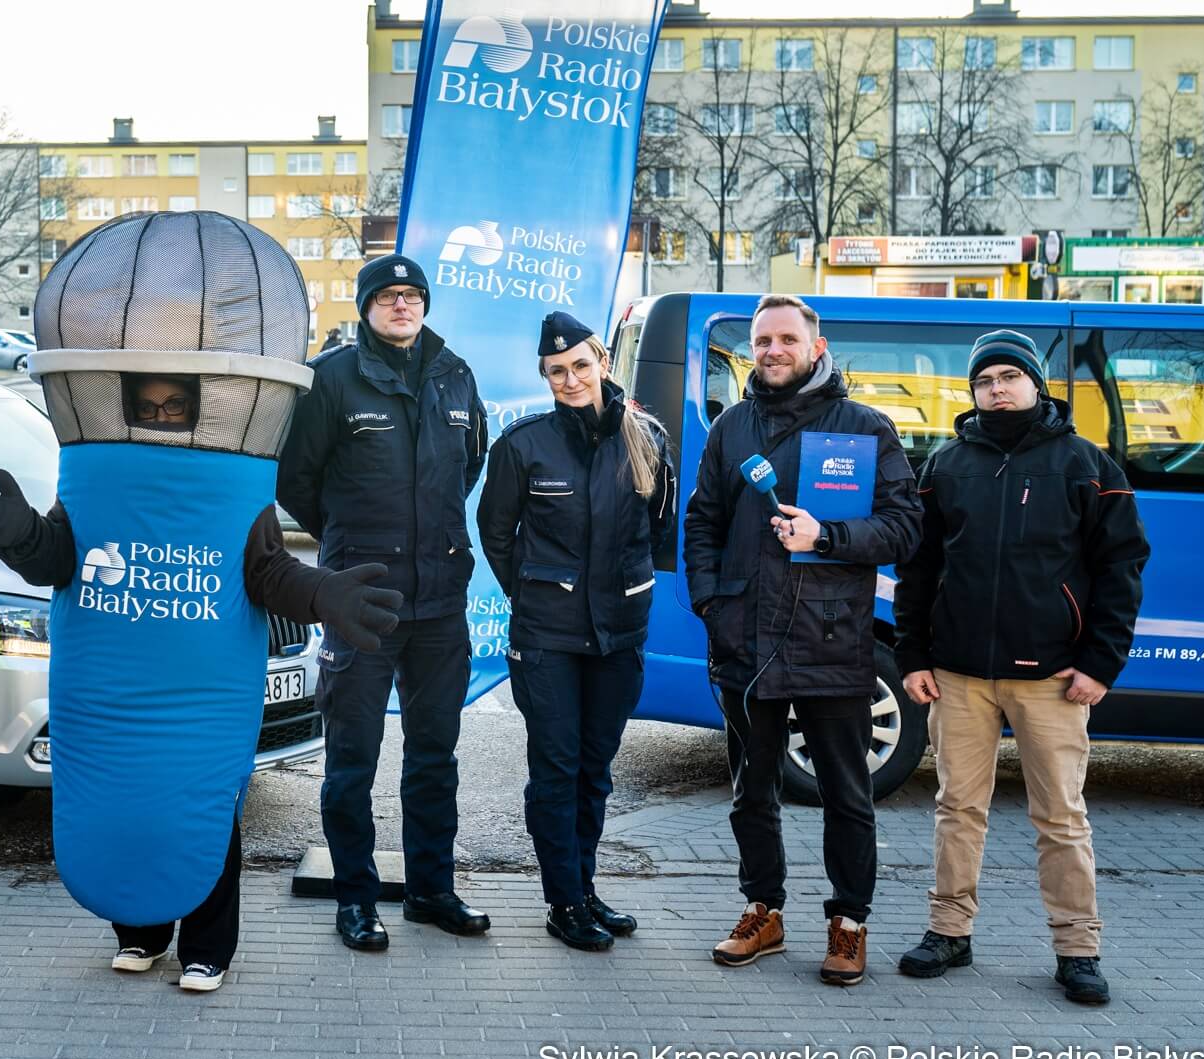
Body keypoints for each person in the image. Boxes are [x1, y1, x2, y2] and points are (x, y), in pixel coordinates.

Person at [0, 373, 403, 991]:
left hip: (202, 696)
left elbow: (269, 571)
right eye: (148, 406)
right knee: (122, 804)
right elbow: (58, 557)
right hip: (113, 687)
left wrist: (324, 593)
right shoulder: (100, 481)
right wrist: (19, 533)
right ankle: (140, 932)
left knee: (201, 810)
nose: (161, 416)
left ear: (198, 411)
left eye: (176, 405)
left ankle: (207, 948)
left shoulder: (230, 486)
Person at [892, 331, 1149, 1006]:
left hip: (1053, 679)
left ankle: (1077, 949)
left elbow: (1121, 570)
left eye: (1009, 376)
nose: (996, 389)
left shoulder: (1086, 464)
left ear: (1036, 383)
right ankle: (950, 931)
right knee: (957, 809)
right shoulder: (945, 464)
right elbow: (918, 568)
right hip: (960, 675)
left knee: (1060, 817)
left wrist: (1101, 664)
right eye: (984, 381)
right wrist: (912, 656)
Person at [682, 293, 921, 986]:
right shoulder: (732, 427)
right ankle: (764, 912)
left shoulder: (864, 428)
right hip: (746, 643)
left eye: (787, 339)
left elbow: (905, 528)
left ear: (816, 348)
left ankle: (849, 923)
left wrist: (829, 535)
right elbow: (702, 521)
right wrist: (711, 604)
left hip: (832, 640)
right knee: (751, 793)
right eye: (762, 341)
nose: (773, 351)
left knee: (847, 795)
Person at [277, 253, 491, 951]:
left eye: (412, 294)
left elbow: (468, 464)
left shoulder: (456, 374)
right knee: (352, 761)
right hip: (360, 601)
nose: (402, 304)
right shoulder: (332, 378)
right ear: (367, 306)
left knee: (434, 756)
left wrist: (428, 532)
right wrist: (348, 539)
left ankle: (431, 891)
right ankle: (356, 900)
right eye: (388, 295)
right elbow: (296, 480)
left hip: (440, 602)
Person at [476, 311, 673, 951]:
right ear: (545, 376)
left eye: (580, 365)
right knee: (556, 770)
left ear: (603, 363)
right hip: (548, 639)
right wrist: (536, 589)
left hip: (619, 634)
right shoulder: (524, 445)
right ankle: (562, 901)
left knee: (596, 769)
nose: (570, 379)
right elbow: (495, 532)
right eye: (556, 371)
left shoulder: (647, 438)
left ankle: (585, 889)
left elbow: (660, 529)